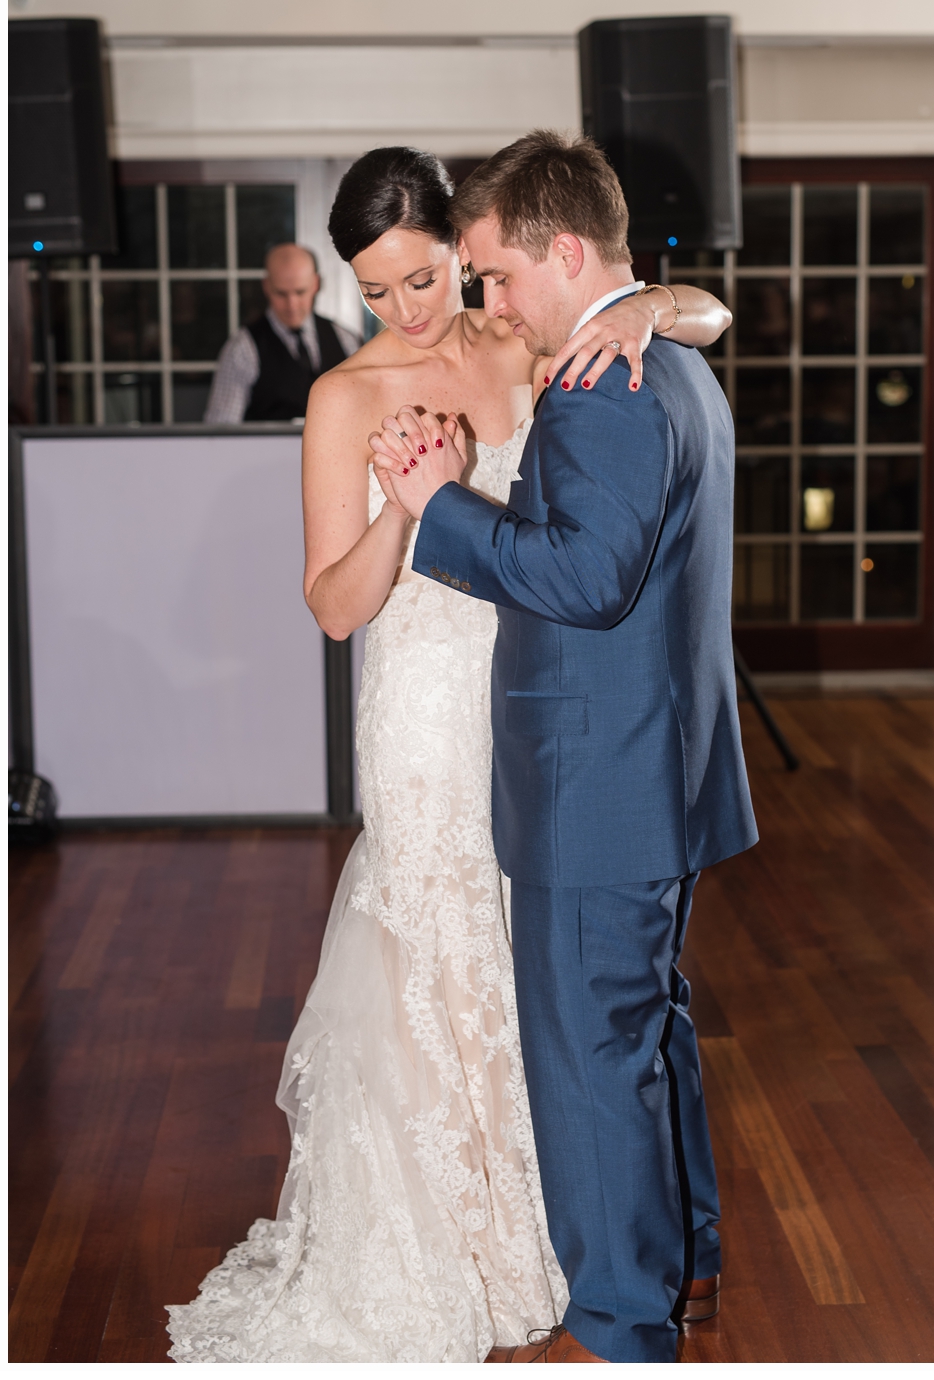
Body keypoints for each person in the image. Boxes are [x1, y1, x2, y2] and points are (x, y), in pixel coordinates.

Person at [165, 146, 732, 1363]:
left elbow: (698, 318)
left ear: (457, 250)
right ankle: (472, 1237)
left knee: (579, 995)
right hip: (430, 708)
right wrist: (410, 500)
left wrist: (649, 301)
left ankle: (590, 1244)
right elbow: (332, 605)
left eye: (424, 278)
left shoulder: (525, 338)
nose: (407, 312)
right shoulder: (343, 394)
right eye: (374, 293)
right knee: (457, 959)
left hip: (553, 703)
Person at [370, 131, 758, 1365]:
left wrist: (439, 510)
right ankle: (685, 1256)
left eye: (491, 273)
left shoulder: (606, 384)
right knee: (647, 1030)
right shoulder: (674, 363)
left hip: (597, 785)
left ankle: (622, 1326)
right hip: (662, 771)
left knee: (591, 1068)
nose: (488, 299)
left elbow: (583, 581)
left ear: (567, 251)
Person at [203, 242, 360, 423]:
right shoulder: (242, 349)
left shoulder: (346, 340)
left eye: (300, 292)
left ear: (315, 284)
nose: (291, 305)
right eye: (281, 294)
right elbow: (222, 427)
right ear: (267, 287)